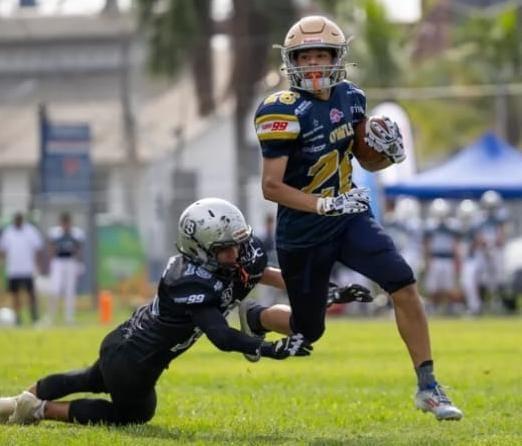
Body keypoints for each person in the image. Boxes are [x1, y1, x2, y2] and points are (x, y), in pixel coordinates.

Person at [249, 15, 463, 420]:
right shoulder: (280, 110)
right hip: (303, 230)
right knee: (309, 329)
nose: (313, 64)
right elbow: (271, 187)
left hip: (349, 217)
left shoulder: (351, 97)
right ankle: (256, 317)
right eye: (305, 57)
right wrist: (322, 205)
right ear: (292, 62)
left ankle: (428, 386)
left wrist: (387, 153)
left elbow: (364, 158)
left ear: (337, 58)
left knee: (403, 283)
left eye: (321, 56)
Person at [0, 198, 368, 426]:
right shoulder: (188, 280)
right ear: (201, 248)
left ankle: (19, 402)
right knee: (135, 413)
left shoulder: (235, 252)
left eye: (237, 244)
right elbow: (221, 337)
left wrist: (326, 291)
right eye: (225, 249)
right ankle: (40, 410)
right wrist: (272, 349)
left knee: (90, 377)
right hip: (134, 361)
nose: (237, 253)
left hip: (122, 343)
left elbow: (265, 273)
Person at [0, 212, 44, 325]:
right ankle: (17, 318)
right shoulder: (8, 232)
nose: (18, 222)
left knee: (31, 294)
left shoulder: (30, 231)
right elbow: (3, 250)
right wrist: (2, 262)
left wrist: (38, 265)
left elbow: (38, 248)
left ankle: (34, 317)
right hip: (13, 270)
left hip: (27, 269)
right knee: (15, 295)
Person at [423, 199, 462, 314]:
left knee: (449, 287)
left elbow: (455, 244)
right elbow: (427, 244)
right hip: (435, 258)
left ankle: (450, 307)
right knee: (433, 287)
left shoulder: (453, 225)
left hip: (448, 258)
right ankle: (433, 307)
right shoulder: (430, 225)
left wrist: (457, 259)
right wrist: (427, 260)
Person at [45, 212, 85, 325]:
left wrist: (79, 263)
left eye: (67, 223)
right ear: (61, 223)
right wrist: (50, 264)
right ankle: (50, 316)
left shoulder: (76, 234)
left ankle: (69, 317)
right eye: (64, 223)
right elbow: (51, 248)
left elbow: (79, 249)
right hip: (58, 262)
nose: (66, 226)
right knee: (55, 289)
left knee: (70, 291)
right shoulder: (55, 233)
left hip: (70, 262)